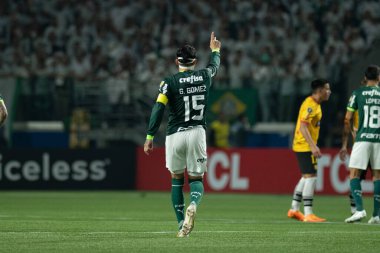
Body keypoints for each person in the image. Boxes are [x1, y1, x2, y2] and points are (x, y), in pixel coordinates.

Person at [144, 32, 221, 237]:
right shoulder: (204, 76)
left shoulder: (169, 82)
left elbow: (158, 109)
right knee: (196, 178)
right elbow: (214, 67)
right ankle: (193, 204)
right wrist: (215, 51)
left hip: (174, 135)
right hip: (197, 132)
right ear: (194, 61)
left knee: (176, 178)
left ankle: (181, 225)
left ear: (176, 61)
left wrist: (150, 136)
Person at [287, 79, 331, 222]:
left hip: (302, 145)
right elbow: (303, 127)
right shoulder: (310, 105)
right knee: (311, 177)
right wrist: (313, 146)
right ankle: (308, 213)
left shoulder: (315, 104)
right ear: (319, 91)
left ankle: (294, 209)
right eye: (327, 89)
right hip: (304, 145)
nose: (329, 92)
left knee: (306, 177)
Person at [342, 65, 380, 224]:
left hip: (363, 137)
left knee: (354, 174)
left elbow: (347, 119)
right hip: (379, 139)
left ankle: (359, 210)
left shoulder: (357, 93)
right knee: (377, 176)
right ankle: (376, 215)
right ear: (379, 77)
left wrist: (351, 132)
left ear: (365, 77)